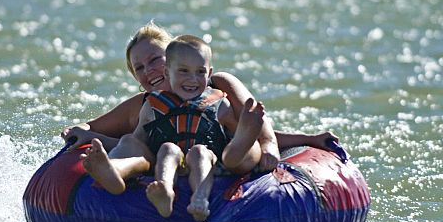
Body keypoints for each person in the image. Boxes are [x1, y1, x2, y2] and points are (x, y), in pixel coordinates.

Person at [61, 21, 338, 171]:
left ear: (172, 57)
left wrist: (286, 144)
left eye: (154, 60)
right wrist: (82, 133)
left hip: (225, 157)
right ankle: (117, 174)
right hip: (168, 165)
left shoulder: (218, 84)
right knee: (130, 142)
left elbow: (256, 121)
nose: (149, 71)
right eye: (139, 68)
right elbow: (95, 128)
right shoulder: (143, 105)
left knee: (239, 132)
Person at [83, 35, 265, 222]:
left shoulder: (219, 103)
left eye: (200, 72)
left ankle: (201, 197)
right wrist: (93, 137)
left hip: (210, 160)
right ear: (168, 71)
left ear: (209, 73)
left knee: (202, 152)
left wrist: (266, 141)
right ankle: (118, 172)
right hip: (165, 159)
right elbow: (138, 141)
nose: (192, 79)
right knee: (139, 143)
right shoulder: (151, 105)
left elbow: (237, 133)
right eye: (184, 71)